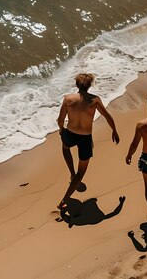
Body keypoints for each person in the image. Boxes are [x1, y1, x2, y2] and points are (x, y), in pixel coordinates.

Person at [57, 73, 120, 211]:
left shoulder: (68, 99)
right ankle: (64, 200)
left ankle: (71, 173)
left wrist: (61, 130)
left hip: (70, 134)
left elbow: (60, 119)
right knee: (82, 172)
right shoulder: (95, 100)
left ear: (76, 85)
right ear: (90, 85)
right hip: (85, 138)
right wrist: (114, 130)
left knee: (65, 148)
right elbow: (107, 116)